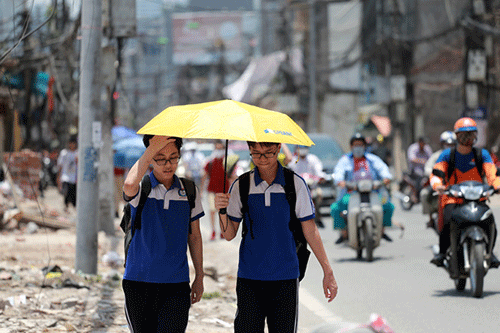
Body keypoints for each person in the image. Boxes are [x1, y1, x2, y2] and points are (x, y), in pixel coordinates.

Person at [214, 141, 338, 333]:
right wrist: (222, 211)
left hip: (285, 278)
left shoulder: (295, 184)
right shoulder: (242, 185)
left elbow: (310, 230)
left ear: (278, 149)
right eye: (256, 154)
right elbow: (229, 234)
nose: (262, 160)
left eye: (268, 153)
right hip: (249, 279)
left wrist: (327, 271)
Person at [122, 134, 205, 332]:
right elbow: (128, 186)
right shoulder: (142, 188)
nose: (168, 164)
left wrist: (199, 276)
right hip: (138, 283)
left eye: (173, 157)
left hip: (176, 285)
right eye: (160, 158)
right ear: (150, 158)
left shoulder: (190, 191)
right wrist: (151, 149)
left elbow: (194, 236)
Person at [430, 117, 500, 268]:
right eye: (464, 135)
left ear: (476, 136)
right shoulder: (447, 155)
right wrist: (438, 185)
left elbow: (492, 174)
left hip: (477, 199)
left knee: (490, 222)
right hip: (452, 199)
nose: (468, 138)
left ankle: (490, 252)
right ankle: (442, 253)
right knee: (448, 221)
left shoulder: (483, 155)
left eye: (471, 134)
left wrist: (497, 186)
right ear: (457, 136)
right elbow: (436, 174)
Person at [331, 133, 394, 244]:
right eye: (355, 145)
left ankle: (382, 230)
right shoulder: (345, 160)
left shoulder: (372, 159)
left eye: (360, 145)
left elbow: (383, 170)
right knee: (336, 207)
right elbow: (338, 172)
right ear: (351, 147)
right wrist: (340, 181)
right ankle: (344, 232)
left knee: (388, 206)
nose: (358, 148)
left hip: (373, 192)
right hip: (351, 194)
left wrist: (386, 178)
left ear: (364, 146)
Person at [201, 139, 238, 241]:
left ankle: (222, 231)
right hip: (212, 189)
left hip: (225, 190)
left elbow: (233, 176)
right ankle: (213, 231)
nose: (218, 146)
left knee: (223, 211)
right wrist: (201, 190)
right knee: (212, 211)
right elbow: (205, 176)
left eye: (219, 144)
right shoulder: (210, 160)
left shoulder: (228, 160)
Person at [420, 131, 456, 229]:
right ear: (442, 144)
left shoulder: (459, 156)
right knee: (424, 194)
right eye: (447, 144)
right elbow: (428, 167)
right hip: (440, 185)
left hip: (456, 186)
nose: (449, 146)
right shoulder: (437, 156)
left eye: (451, 144)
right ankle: (431, 219)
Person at [288, 145, 326, 228]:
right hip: (297, 189)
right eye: (300, 148)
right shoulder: (293, 160)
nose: (302, 150)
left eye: (304, 148)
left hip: (312, 187)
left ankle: (317, 214)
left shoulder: (313, 159)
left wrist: (321, 177)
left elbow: (318, 171)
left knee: (318, 194)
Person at [57, 135, 78, 213]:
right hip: (66, 176)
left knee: (74, 194)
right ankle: (66, 206)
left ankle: (74, 207)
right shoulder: (64, 153)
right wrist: (58, 178)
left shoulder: (77, 153)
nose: (72, 145)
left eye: (74, 143)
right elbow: (60, 166)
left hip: (74, 177)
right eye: (71, 143)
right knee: (66, 192)